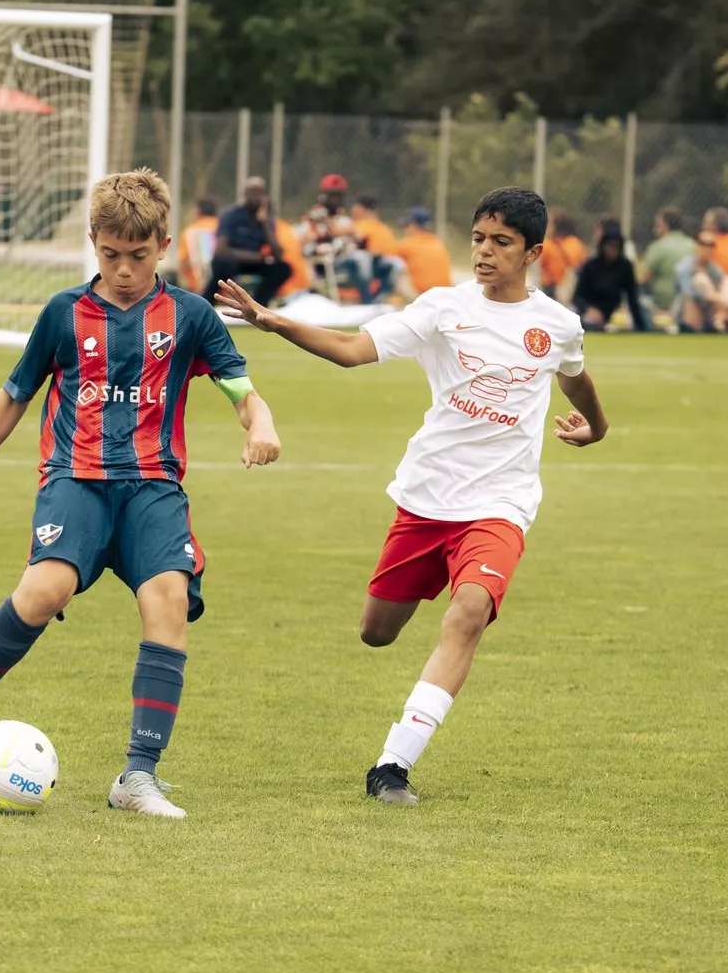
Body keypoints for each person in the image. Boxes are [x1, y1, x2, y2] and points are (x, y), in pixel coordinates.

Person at [0, 168, 281, 820]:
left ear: (163, 245)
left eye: (139, 255)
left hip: (153, 487)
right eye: (111, 253)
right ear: (93, 242)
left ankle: (138, 776)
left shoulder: (189, 315)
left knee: (168, 600)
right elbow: (14, 395)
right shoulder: (63, 313)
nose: (123, 269)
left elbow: (243, 392)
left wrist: (260, 423)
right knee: (45, 590)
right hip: (75, 478)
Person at [212, 186, 607, 805]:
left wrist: (597, 428)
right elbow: (352, 351)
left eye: (502, 242)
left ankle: (393, 765)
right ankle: (424, 591)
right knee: (376, 632)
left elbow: (575, 378)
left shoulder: (558, 324)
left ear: (532, 253)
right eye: (478, 238)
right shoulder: (442, 308)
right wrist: (274, 320)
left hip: (501, 504)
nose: (484, 252)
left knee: (469, 614)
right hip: (427, 498)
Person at [206, 177, 291, 306]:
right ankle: (207, 301)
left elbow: (279, 254)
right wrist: (257, 257)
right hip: (233, 261)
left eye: (259, 193)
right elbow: (221, 250)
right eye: (252, 192)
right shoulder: (231, 216)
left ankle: (258, 305)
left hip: (255, 265)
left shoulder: (266, 220)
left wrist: (265, 224)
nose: (255, 197)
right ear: (245, 194)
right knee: (222, 263)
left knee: (283, 268)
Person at [568, 219, 646, 332]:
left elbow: (632, 297)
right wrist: (589, 309)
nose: (613, 250)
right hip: (585, 311)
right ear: (603, 245)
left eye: (616, 246)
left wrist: (641, 327)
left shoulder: (625, 267)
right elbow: (577, 297)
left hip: (606, 314)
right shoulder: (590, 265)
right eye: (610, 245)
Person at [299, 173, 364, 300]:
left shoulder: (345, 221)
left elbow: (357, 239)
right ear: (322, 196)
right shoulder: (311, 221)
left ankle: (369, 299)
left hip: (343, 263)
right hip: (319, 266)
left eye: (339, 195)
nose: (335, 200)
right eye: (332, 195)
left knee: (364, 258)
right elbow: (302, 244)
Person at [638, 207, 695, 332]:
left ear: (664, 225)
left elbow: (645, 278)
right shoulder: (692, 245)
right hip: (687, 303)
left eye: (658, 223)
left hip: (660, 303)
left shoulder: (658, 246)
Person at [676, 229, 728, 334]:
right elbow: (689, 292)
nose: (707, 248)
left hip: (710, 310)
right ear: (696, 245)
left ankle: (719, 321)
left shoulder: (714, 269)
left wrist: (719, 300)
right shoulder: (684, 267)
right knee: (700, 278)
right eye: (703, 244)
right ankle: (722, 321)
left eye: (711, 245)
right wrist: (719, 300)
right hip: (689, 311)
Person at [350, 195, 406, 301]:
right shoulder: (385, 229)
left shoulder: (362, 225)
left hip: (372, 275)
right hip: (389, 278)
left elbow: (353, 245)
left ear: (361, 209)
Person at [396, 208, 454, 295]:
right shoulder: (437, 242)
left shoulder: (408, 244)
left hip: (424, 295)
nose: (405, 229)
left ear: (413, 225)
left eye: (406, 225)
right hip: (446, 293)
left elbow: (384, 254)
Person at [536, 209, 588, 300]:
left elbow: (540, 266)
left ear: (555, 226)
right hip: (571, 290)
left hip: (550, 290)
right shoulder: (576, 244)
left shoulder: (547, 245)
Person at [175, 197, 217, 294]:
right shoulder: (223, 229)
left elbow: (182, 264)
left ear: (197, 211)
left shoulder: (189, 232)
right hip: (224, 290)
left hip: (197, 290)